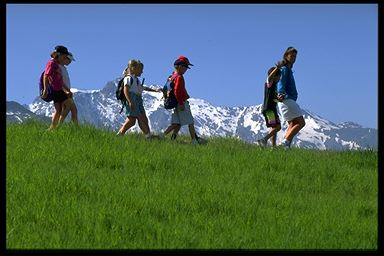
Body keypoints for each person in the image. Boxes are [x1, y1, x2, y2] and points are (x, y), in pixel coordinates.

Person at [161, 56, 205, 144]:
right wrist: (181, 103)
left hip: (174, 102)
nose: (186, 70)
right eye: (185, 67)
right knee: (190, 122)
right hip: (181, 102)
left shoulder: (171, 76)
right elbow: (177, 91)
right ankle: (194, 141)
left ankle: (163, 136)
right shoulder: (179, 77)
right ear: (180, 66)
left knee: (176, 124)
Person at [116, 59, 162, 137]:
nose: (142, 72)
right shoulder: (128, 78)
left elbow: (142, 88)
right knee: (134, 120)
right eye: (140, 70)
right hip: (132, 99)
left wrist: (155, 90)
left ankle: (148, 134)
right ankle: (147, 135)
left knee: (142, 118)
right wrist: (130, 101)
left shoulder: (136, 79)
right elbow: (125, 90)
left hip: (138, 100)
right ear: (134, 69)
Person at [276, 47, 305, 148]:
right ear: (286, 56)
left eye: (295, 56)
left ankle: (285, 147)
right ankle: (285, 142)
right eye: (292, 56)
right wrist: (280, 93)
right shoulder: (284, 69)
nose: (294, 58)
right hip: (287, 99)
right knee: (301, 123)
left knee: (292, 124)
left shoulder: (288, 70)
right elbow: (281, 82)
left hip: (285, 101)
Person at [41, 45, 74, 130]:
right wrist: (45, 89)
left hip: (59, 89)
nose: (64, 58)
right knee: (69, 105)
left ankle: (52, 128)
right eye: (64, 57)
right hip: (56, 90)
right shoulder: (51, 63)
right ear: (59, 55)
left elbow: (60, 81)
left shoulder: (56, 64)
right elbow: (46, 75)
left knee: (58, 110)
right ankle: (57, 127)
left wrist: (67, 90)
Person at [257, 64, 283, 147]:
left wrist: (279, 99)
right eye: (279, 76)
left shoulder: (274, 87)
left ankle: (273, 146)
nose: (280, 79)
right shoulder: (270, 83)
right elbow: (269, 78)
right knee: (278, 127)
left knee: (274, 127)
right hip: (269, 109)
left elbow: (274, 99)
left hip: (272, 109)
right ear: (275, 76)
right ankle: (264, 140)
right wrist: (277, 68)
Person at [58, 52, 78, 126]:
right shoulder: (59, 67)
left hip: (67, 91)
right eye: (69, 60)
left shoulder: (63, 68)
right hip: (64, 91)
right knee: (69, 107)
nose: (70, 62)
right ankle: (59, 125)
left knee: (73, 109)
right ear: (64, 58)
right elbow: (60, 81)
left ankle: (75, 127)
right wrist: (66, 90)